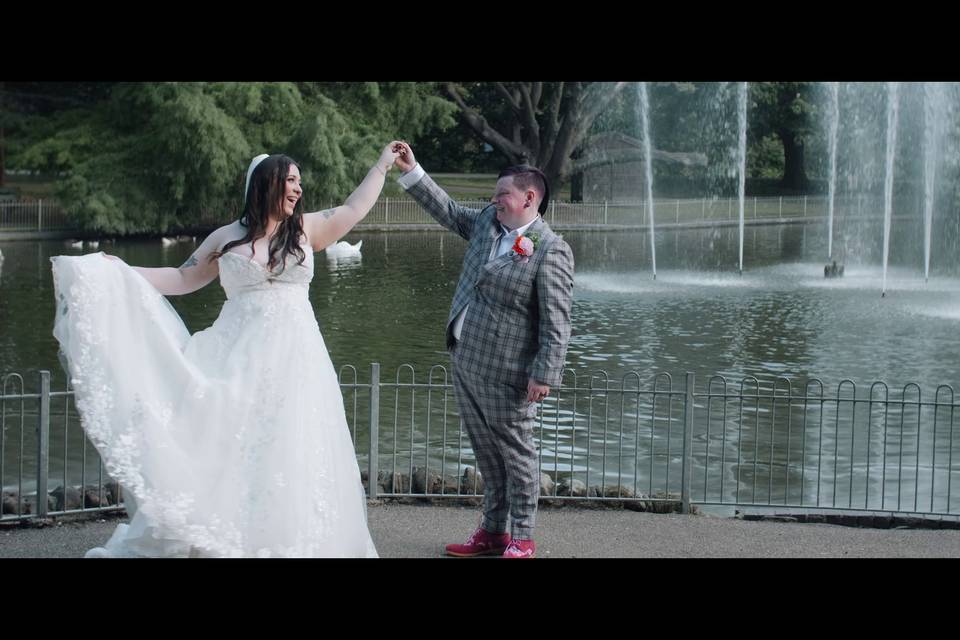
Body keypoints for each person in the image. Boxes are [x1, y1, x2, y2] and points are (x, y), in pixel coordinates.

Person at [50, 142, 403, 557]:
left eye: (299, 182)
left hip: (297, 363)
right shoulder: (226, 236)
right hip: (236, 358)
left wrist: (383, 164)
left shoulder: (306, 229)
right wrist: (124, 271)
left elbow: (353, 209)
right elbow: (182, 279)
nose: (298, 189)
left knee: (294, 449)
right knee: (229, 445)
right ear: (266, 183)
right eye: (291, 180)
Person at [393, 142, 574, 558]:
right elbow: (449, 210)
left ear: (529, 198)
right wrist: (413, 169)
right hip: (466, 361)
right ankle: (492, 533)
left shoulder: (550, 250)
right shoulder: (486, 225)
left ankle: (523, 537)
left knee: (517, 456)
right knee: (487, 456)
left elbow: (557, 321)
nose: (494, 202)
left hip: (508, 373)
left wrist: (545, 374)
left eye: (502, 195)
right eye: (494, 195)